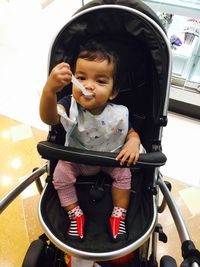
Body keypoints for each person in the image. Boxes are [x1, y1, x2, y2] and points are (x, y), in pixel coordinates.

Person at [39, 40, 143, 241]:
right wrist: (49, 91)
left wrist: (133, 142)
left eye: (100, 81)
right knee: (60, 175)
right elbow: (50, 118)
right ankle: (74, 213)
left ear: (113, 92)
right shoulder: (69, 105)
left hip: (110, 158)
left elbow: (131, 132)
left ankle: (118, 214)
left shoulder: (119, 114)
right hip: (75, 158)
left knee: (124, 174)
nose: (88, 85)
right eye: (81, 77)